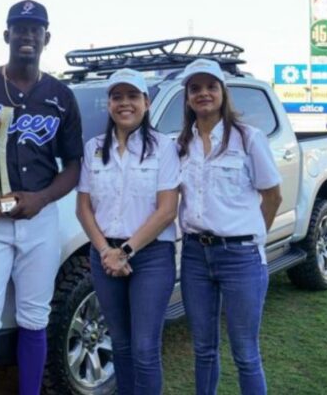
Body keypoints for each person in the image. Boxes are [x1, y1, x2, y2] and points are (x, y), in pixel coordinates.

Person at [0, 0, 83, 395]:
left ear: (47, 37)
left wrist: (42, 199)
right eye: (19, 28)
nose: (27, 35)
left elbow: (74, 165)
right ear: (7, 35)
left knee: (34, 317)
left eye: (35, 28)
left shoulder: (60, 94)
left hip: (38, 221)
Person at [177, 59, 283, 395]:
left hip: (241, 256)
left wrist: (253, 239)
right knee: (204, 349)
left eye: (211, 87)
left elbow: (273, 196)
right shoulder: (179, 144)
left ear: (223, 91)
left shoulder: (248, 138)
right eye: (195, 88)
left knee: (245, 353)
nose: (203, 94)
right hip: (194, 255)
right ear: (188, 97)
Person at [76, 69, 179, 394]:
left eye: (132, 96)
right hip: (104, 257)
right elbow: (83, 208)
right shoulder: (93, 148)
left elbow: (167, 210)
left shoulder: (164, 147)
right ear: (108, 104)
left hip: (150, 258)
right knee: (119, 343)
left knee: (145, 347)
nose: (125, 103)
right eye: (117, 97)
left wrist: (126, 251)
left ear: (146, 103)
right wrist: (106, 250)